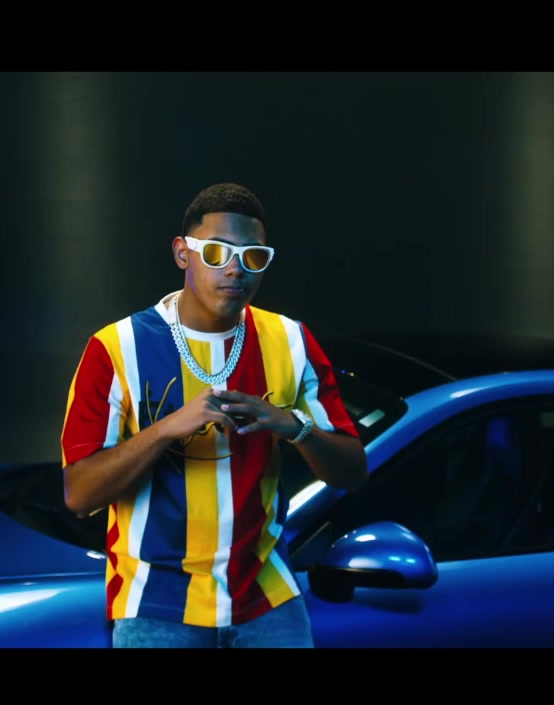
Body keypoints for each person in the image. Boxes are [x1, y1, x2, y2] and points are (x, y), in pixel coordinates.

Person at [60, 182, 368, 648]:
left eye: (252, 256)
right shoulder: (116, 348)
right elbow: (80, 495)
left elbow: (352, 472)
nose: (235, 269)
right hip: (157, 606)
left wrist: (295, 426)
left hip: (268, 600)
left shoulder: (290, 341)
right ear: (182, 253)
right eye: (217, 252)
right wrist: (165, 429)